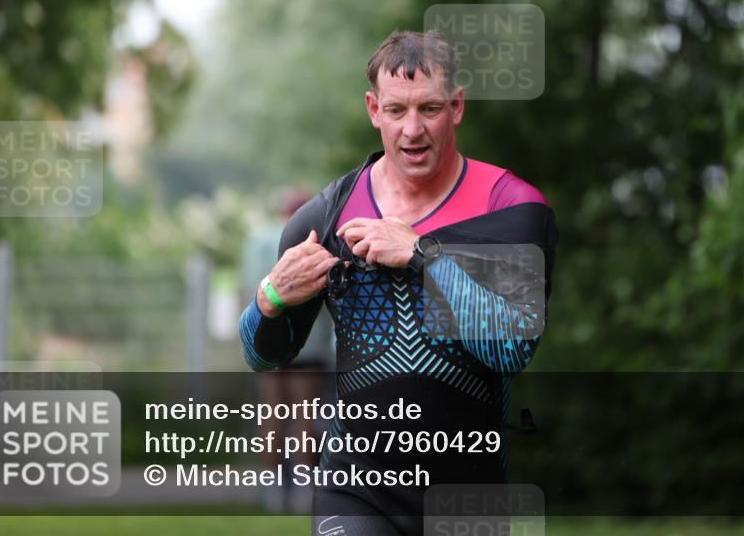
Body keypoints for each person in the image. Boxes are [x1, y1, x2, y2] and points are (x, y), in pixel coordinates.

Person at [239, 29, 558, 535]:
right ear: (374, 109)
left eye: (429, 108)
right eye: (396, 110)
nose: (413, 129)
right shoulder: (328, 216)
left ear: (456, 106)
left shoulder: (508, 207)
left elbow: (512, 347)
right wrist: (269, 298)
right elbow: (264, 355)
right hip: (355, 489)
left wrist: (421, 255)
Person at [239, 189, 334, 513]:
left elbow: (248, 288)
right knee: (304, 416)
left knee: (271, 414)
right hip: (310, 341)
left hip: (266, 335)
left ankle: (273, 492)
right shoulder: (315, 238)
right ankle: (305, 489)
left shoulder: (257, 239)